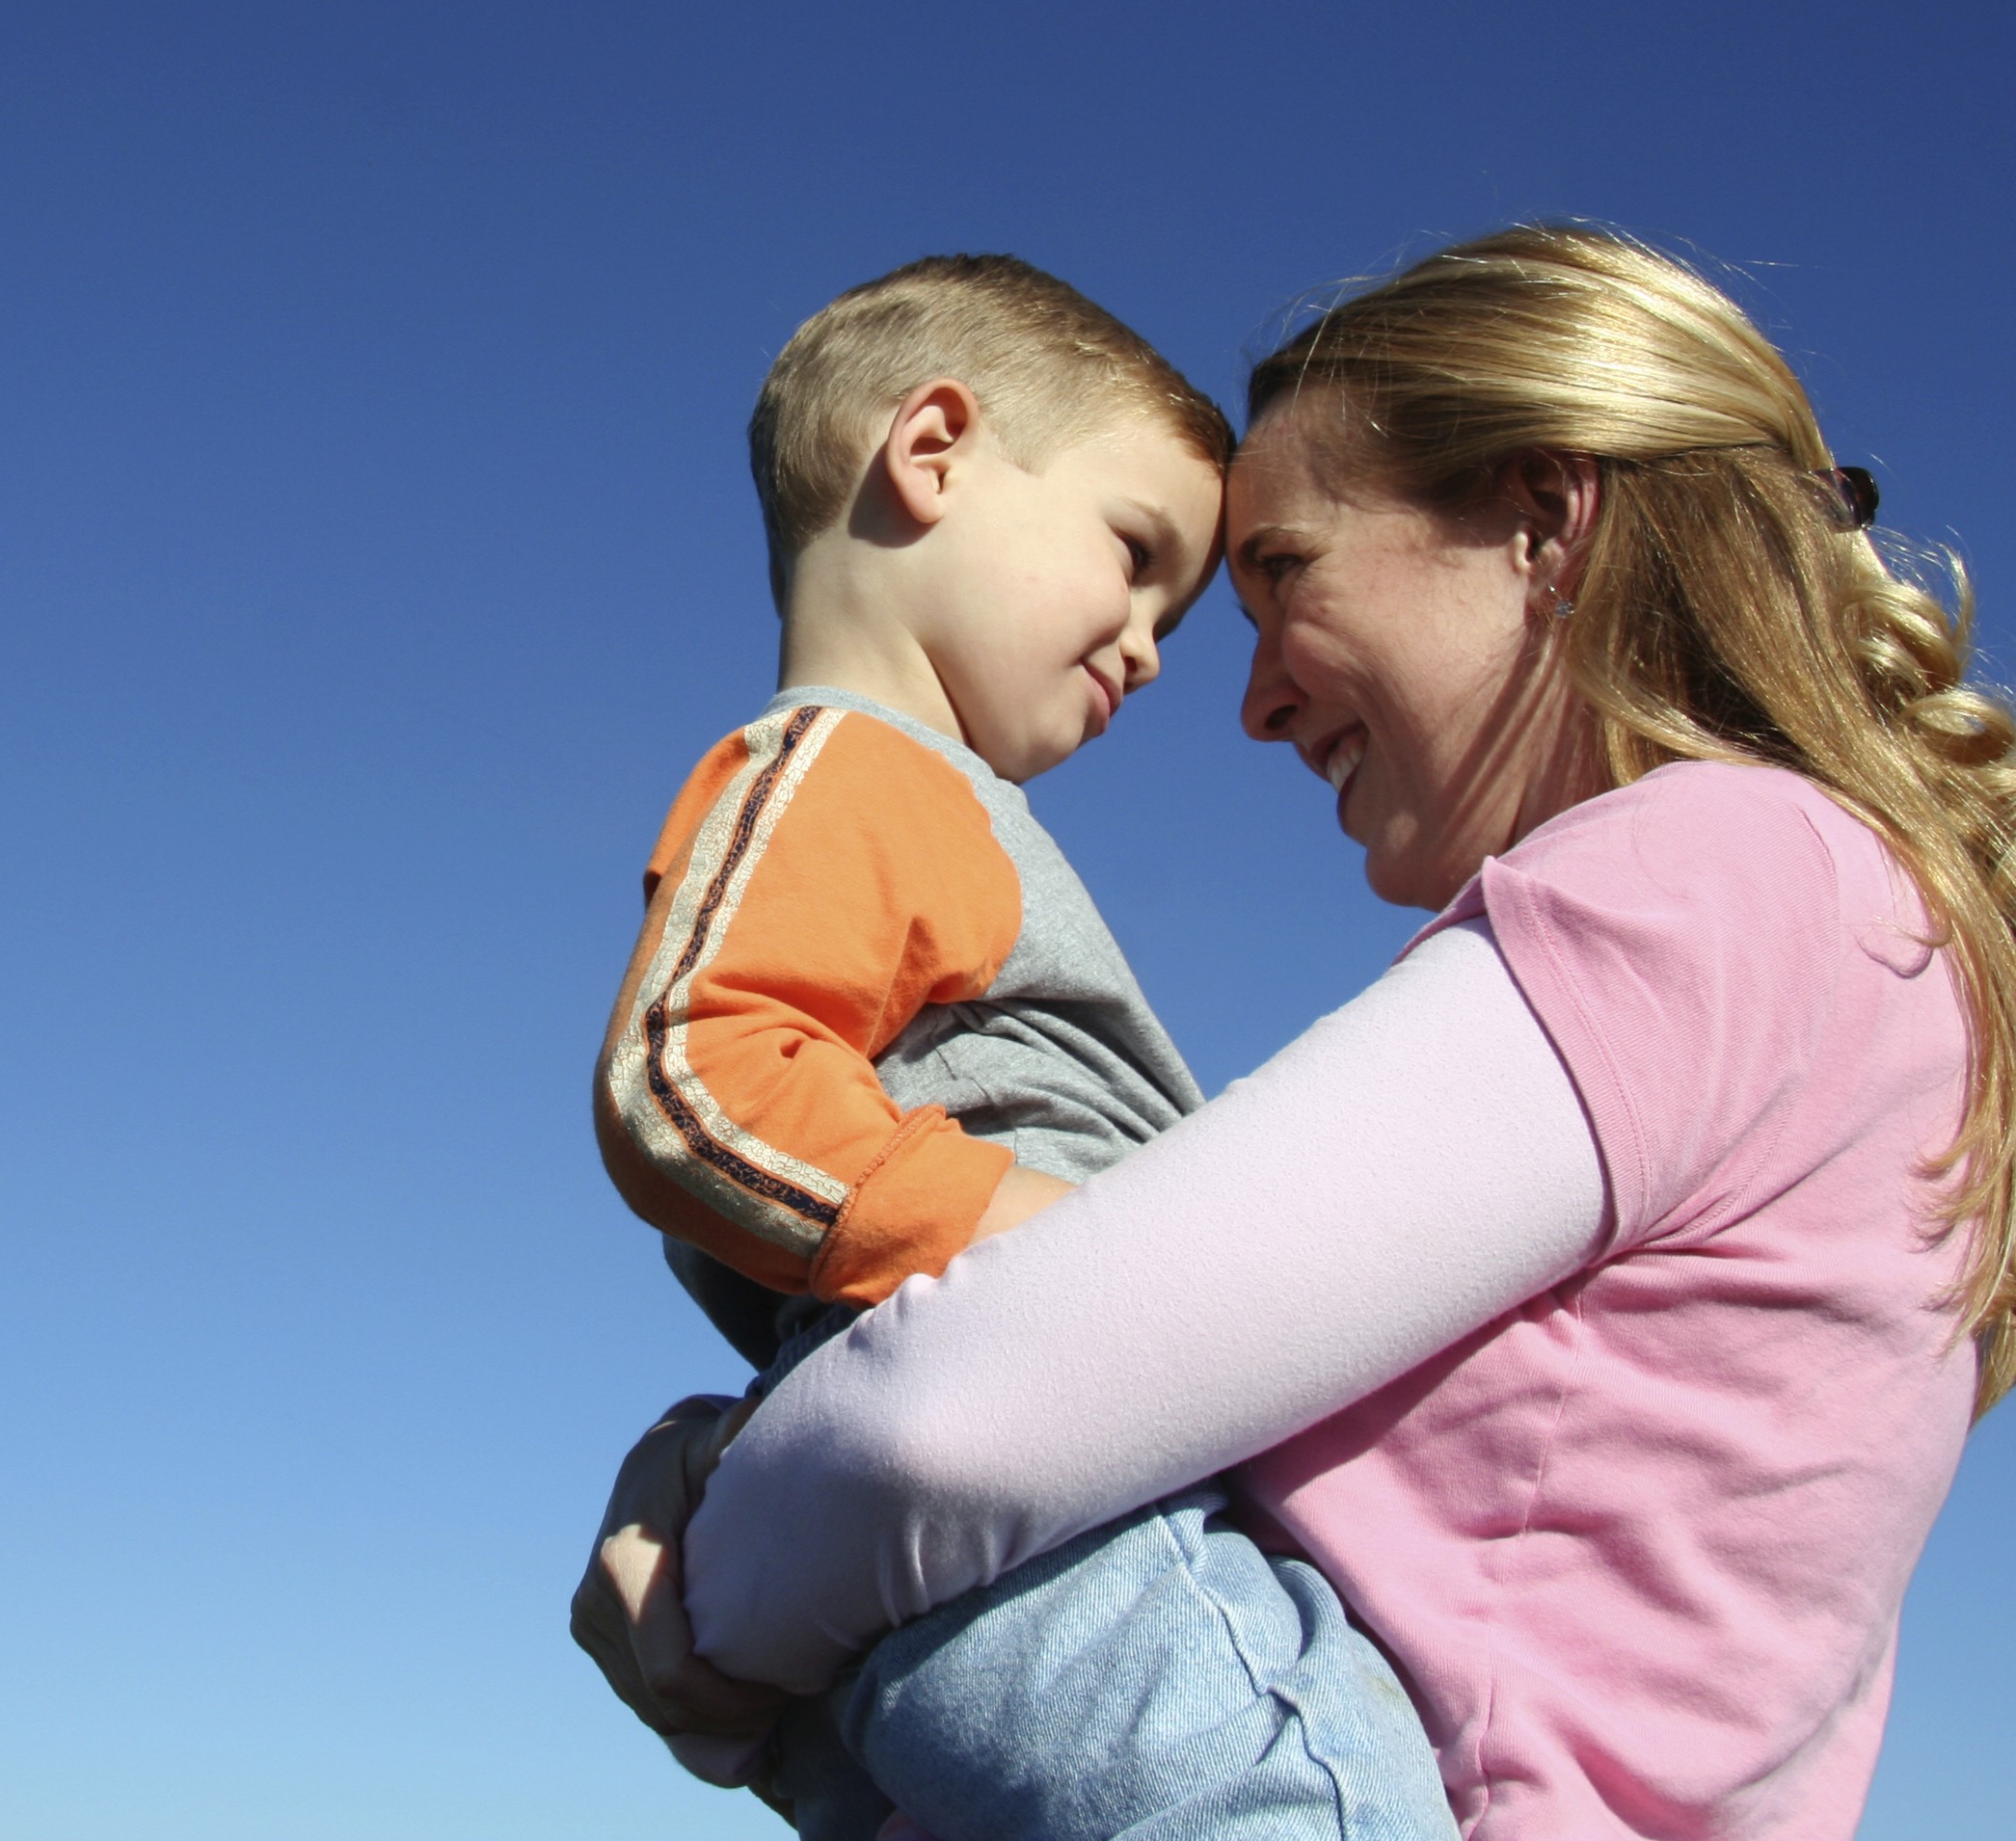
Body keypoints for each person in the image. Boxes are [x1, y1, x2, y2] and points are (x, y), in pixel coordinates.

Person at [575, 226, 2016, 1841]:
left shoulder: (1717, 874)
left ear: (1545, 520)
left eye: (1286, 573)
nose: (1242, 700)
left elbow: (949, 1422)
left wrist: (702, 1591)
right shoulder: (1848, 945)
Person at [585, 254, 1454, 1839]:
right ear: (931, 452)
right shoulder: (850, 765)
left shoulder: (925, 799)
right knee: (1294, 1800)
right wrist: (1057, 1251)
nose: (1152, 646)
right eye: (1136, 557)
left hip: (981, 1522)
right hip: (1031, 1520)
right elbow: (691, 1077)